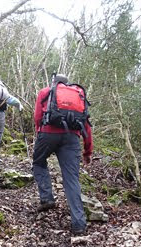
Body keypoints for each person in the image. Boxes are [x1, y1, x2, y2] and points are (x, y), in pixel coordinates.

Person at [32, 74, 93, 235]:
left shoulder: (46, 92)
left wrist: (41, 132)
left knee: (38, 162)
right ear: (67, 84)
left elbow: (37, 117)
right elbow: (86, 126)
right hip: (72, 138)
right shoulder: (78, 96)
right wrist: (88, 151)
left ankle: (47, 198)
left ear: (54, 82)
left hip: (48, 133)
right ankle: (79, 224)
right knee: (71, 179)